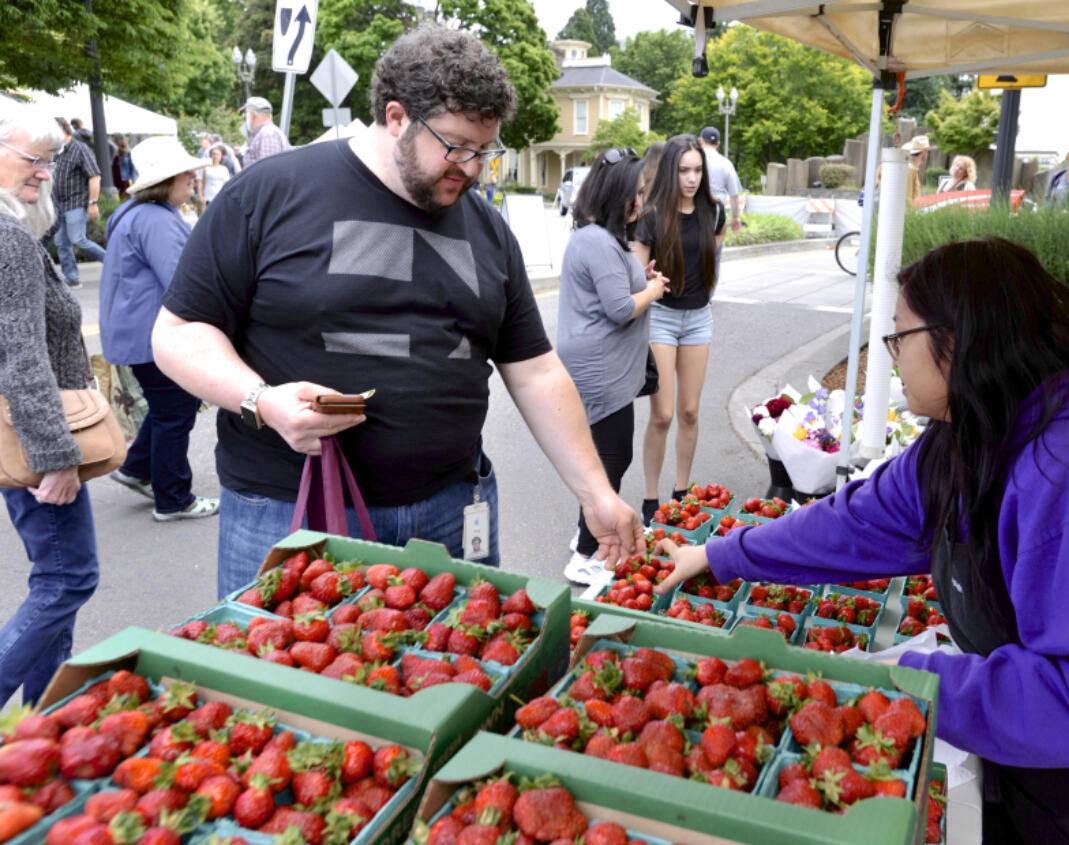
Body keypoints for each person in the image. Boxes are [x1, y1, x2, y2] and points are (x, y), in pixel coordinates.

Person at [655, 236, 1069, 843]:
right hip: (1052, 764)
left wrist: (915, 679)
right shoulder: (968, 434)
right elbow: (855, 521)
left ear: (959, 340)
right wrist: (720, 553)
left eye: (900, 335)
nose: (891, 356)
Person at [151, 24, 643, 597]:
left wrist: (595, 492)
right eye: (456, 145)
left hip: (451, 512)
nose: (473, 167)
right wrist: (261, 400)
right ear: (396, 117)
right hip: (290, 512)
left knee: (456, 682)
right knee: (279, 685)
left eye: (486, 150)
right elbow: (178, 333)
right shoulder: (269, 195)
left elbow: (534, 370)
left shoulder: (488, 231)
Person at [0, 104, 101, 706]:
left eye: (50, 161)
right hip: (35, 437)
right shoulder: (7, 237)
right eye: (35, 160)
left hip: (24, 432)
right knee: (68, 578)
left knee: (59, 579)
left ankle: (43, 719)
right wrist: (56, 455)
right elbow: (19, 354)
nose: (45, 174)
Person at [558, 147, 669, 584]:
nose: (640, 202)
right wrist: (654, 292)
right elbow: (620, 308)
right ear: (614, 195)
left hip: (599, 365)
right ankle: (586, 554)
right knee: (611, 459)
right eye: (635, 193)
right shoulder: (597, 241)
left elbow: (621, 288)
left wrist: (646, 278)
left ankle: (583, 534)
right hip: (599, 370)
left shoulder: (597, 238)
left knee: (601, 459)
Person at [100, 137, 218, 523]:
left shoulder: (134, 212)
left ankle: (137, 469)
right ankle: (173, 499)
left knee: (167, 408)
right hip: (154, 336)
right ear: (168, 178)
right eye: (186, 172)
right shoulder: (157, 218)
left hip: (137, 334)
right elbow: (182, 282)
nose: (192, 178)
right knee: (176, 412)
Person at [633, 134, 725, 526]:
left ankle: (681, 493)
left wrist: (703, 297)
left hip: (698, 317)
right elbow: (636, 276)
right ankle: (651, 499)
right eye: (684, 170)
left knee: (689, 411)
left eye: (698, 170)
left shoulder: (715, 213)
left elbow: (714, 265)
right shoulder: (651, 216)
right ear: (671, 171)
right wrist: (646, 277)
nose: (691, 178)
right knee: (663, 414)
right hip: (662, 318)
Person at [51, 116, 106, 288]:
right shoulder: (53, 150)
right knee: (61, 243)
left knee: (78, 239)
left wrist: (92, 203)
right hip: (57, 205)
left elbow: (95, 176)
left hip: (75, 202)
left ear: (62, 130)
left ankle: (114, 262)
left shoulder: (80, 149)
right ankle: (72, 278)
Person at [698, 127, 742, 237]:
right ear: (718, 144)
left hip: (695, 210)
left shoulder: (695, 159)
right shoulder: (726, 164)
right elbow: (734, 195)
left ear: (701, 141)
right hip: (717, 213)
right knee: (714, 249)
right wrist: (735, 217)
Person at [240, 97, 291, 168]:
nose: (244, 118)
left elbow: (269, 172)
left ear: (252, 114)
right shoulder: (267, 133)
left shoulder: (268, 134)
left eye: (245, 114)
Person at [901, 134, 929, 207]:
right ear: (923, 152)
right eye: (927, 151)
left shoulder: (913, 168)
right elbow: (907, 198)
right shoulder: (910, 168)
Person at [111, 134, 134, 199]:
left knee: (125, 196)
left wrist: (133, 179)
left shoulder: (128, 152)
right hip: (115, 177)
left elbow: (132, 167)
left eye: (114, 139)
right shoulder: (114, 150)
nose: (112, 141)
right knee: (117, 196)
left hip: (124, 178)